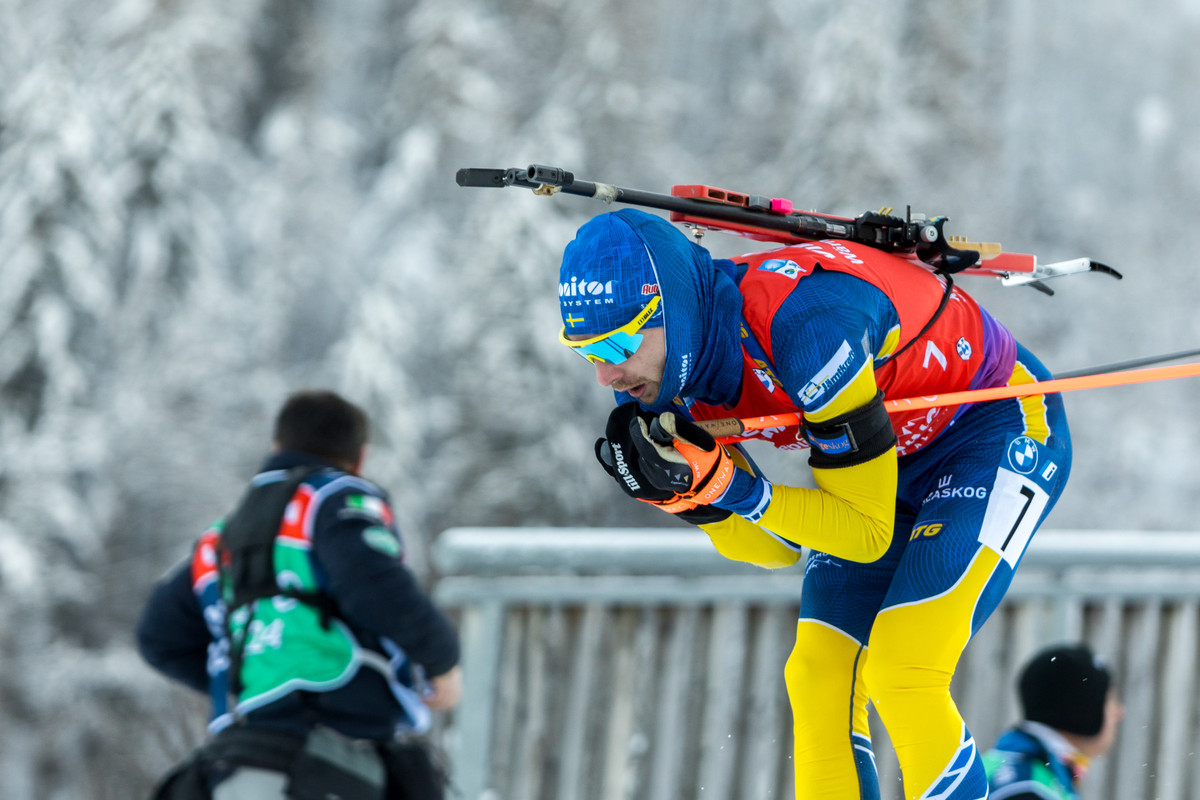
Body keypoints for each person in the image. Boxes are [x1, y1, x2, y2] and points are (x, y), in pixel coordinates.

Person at [557, 209, 1072, 800]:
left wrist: (730, 488)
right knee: (818, 675)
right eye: (587, 352)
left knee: (903, 669)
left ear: (670, 307)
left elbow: (865, 534)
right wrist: (691, 498)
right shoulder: (667, 377)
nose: (606, 375)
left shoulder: (807, 326)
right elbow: (776, 549)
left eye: (618, 343)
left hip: (994, 426)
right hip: (891, 460)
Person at [137, 390, 462, 800]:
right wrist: (442, 662)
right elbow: (375, 586)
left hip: (239, 760)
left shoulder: (220, 541)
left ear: (277, 447)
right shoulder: (337, 499)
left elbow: (159, 637)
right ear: (359, 458)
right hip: (331, 752)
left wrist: (253, 678)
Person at [984, 643, 1123, 799]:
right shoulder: (1028, 790)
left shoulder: (1011, 766)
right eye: (1110, 700)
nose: (1119, 712)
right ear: (1083, 708)